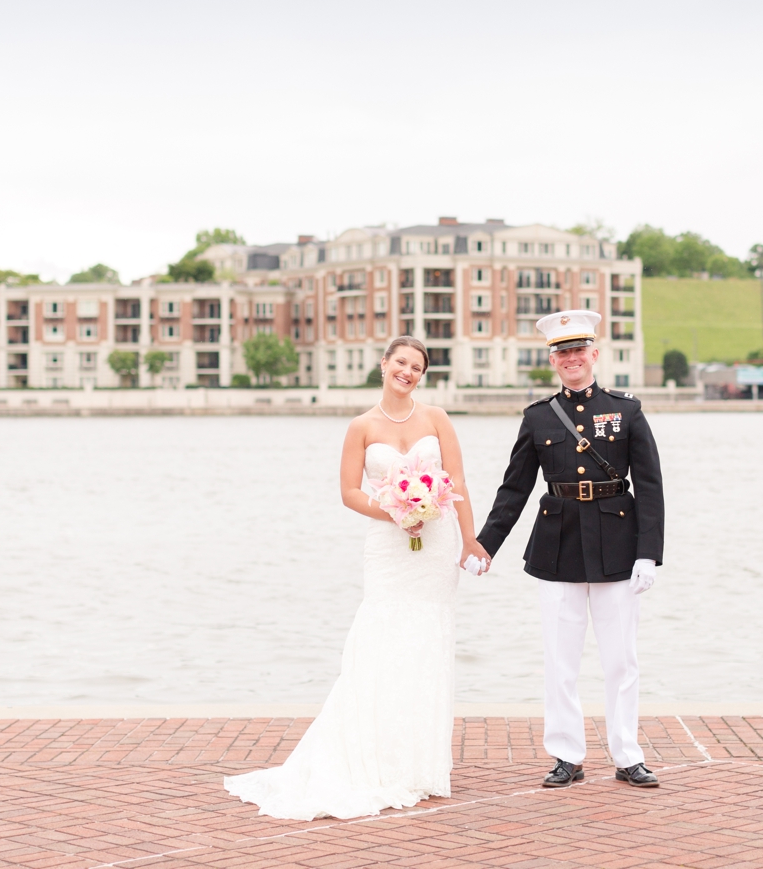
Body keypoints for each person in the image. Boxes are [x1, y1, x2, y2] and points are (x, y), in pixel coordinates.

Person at [224, 336, 492, 820]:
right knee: (382, 640)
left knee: (427, 642)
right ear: (384, 364)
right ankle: (369, 757)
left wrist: (470, 540)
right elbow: (349, 491)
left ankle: (417, 763)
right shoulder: (361, 426)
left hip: (436, 544)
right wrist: (394, 511)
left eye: (417, 366)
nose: (408, 372)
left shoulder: (438, 419)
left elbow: (457, 483)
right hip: (389, 545)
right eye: (401, 362)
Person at [477, 309, 665, 788]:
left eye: (579, 350)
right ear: (553, 361)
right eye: (562, 352)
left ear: (595, 354)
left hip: (618, 545)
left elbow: (649, 486)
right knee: (560, 660)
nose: (571, 359)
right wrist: (485, 544)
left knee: (621, 659)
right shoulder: (538, 416)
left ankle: (627, 756)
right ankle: (567, 756)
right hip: (557, 547)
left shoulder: (626, 411)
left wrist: (649, 552)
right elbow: (514, 488)